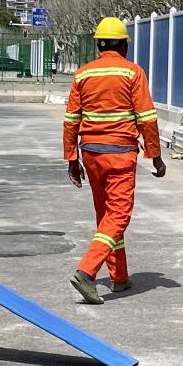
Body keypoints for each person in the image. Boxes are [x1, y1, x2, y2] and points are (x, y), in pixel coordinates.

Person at [63, 17, 164, 305]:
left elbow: (71, 120)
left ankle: (119, 277)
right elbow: (146, 117)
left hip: (91, 153)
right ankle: (86, 272)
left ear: (99, 44)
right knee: (119, 215)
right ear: (123, 45)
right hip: (120, 154)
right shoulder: (132, 73)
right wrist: (155, 155)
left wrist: (72, 158)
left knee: (106, 216)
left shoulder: (83, 74)